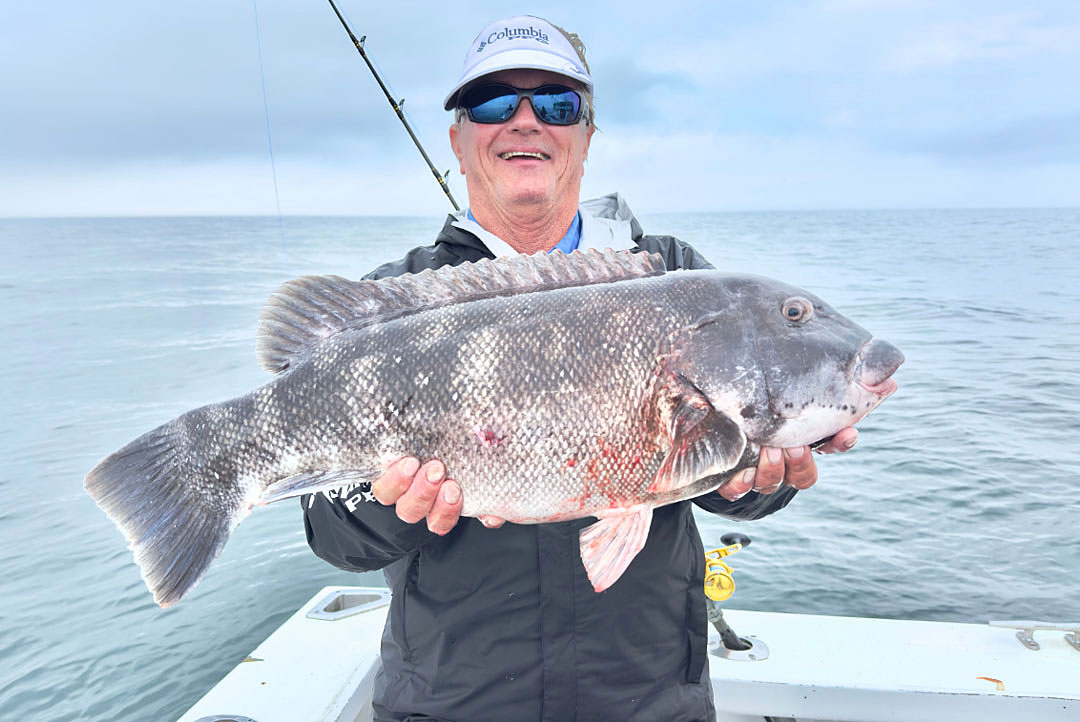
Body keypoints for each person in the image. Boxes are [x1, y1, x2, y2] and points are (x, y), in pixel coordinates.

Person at [304, 15, 857, 722]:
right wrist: (387, 505)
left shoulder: (676, 276)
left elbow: (726, 477)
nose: (525, 121)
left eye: (556, 105)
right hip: (448, 703)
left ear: (586, 138)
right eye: (495, 104)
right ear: (459, 140)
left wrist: (759, 483)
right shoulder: (395, 304)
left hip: (650, 698)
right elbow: (330, 531)